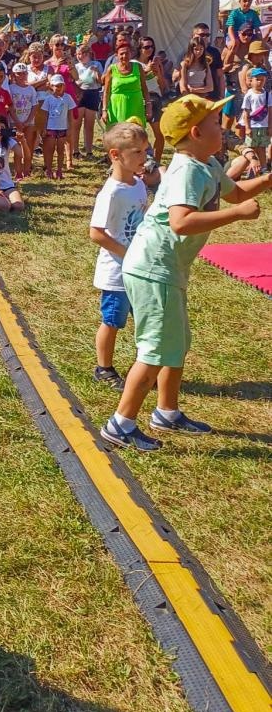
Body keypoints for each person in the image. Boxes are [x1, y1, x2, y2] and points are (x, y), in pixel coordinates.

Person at [101, 95, 272, 451]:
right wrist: (238, 216)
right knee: (155, 348)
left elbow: (237, 192)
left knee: (176, 343)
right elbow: (181, 222)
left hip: (168, 268)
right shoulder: (186, 171)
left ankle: (167, 412)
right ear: (195, 133)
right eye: (215, 124)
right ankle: (120, 424)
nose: (222, 129)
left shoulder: (206, 164)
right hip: (154, 268)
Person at [88, 122, 150, 392]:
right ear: (115, 155)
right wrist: (128, 253)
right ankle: (104, 368)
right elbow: (96, 233)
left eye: (145, 150)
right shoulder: (111, 192)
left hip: (139, 268)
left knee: (146, 317)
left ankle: (145, 366)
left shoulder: (138, 185)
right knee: (112, 320)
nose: (144, 157)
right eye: (137, 152)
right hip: (117, 273)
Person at [102, 39, 148, 130]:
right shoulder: (111, 69)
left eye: (127, 53)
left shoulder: (138, 67)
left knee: (136, 133)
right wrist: (104, 110)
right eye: (121, 54)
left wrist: (148, 105)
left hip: (136, 106)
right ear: (117, 55)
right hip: (117, 107)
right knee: (118, 133)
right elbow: (106, 92)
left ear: (131, 54)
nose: (124, 56)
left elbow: (144, 88)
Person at [39, 75, 77, 180]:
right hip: (51, 128)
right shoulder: (48, 99)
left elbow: (70, 114)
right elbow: (45, 115)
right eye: (56, 86)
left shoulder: (68, 98)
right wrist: (44, 128)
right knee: (50, 150)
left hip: (62, 128)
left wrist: (70, 128)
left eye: (60, 85)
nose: (58, 88)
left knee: (60, 150)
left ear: (63, 85)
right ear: (51, 86)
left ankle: (59, 170)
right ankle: (49, 169)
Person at [72, 44, 103, 159]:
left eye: (83, 54)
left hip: (92, 93)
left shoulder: (96, 64)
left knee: (89, 125)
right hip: (79, 94)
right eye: (78, 54)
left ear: (88, 54)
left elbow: (101, 82)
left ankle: (89, 150)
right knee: (76, 124)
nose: (80, 56)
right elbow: (73, 81)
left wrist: (97, 72)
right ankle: (75, 150)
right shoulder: (75, 66)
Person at [240, 68, 270, 171]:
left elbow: (270, 111)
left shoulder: (267, 94)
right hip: (253, 126)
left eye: (262, 79)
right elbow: (246, 112)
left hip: (263, 126)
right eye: (257, 79)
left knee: (262, 147)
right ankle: (251, 168)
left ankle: (264, 168)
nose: (260, 82)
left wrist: (270, 126)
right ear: (251, 80)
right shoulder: (249, 95)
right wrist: (247, 127)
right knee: (251, 147)